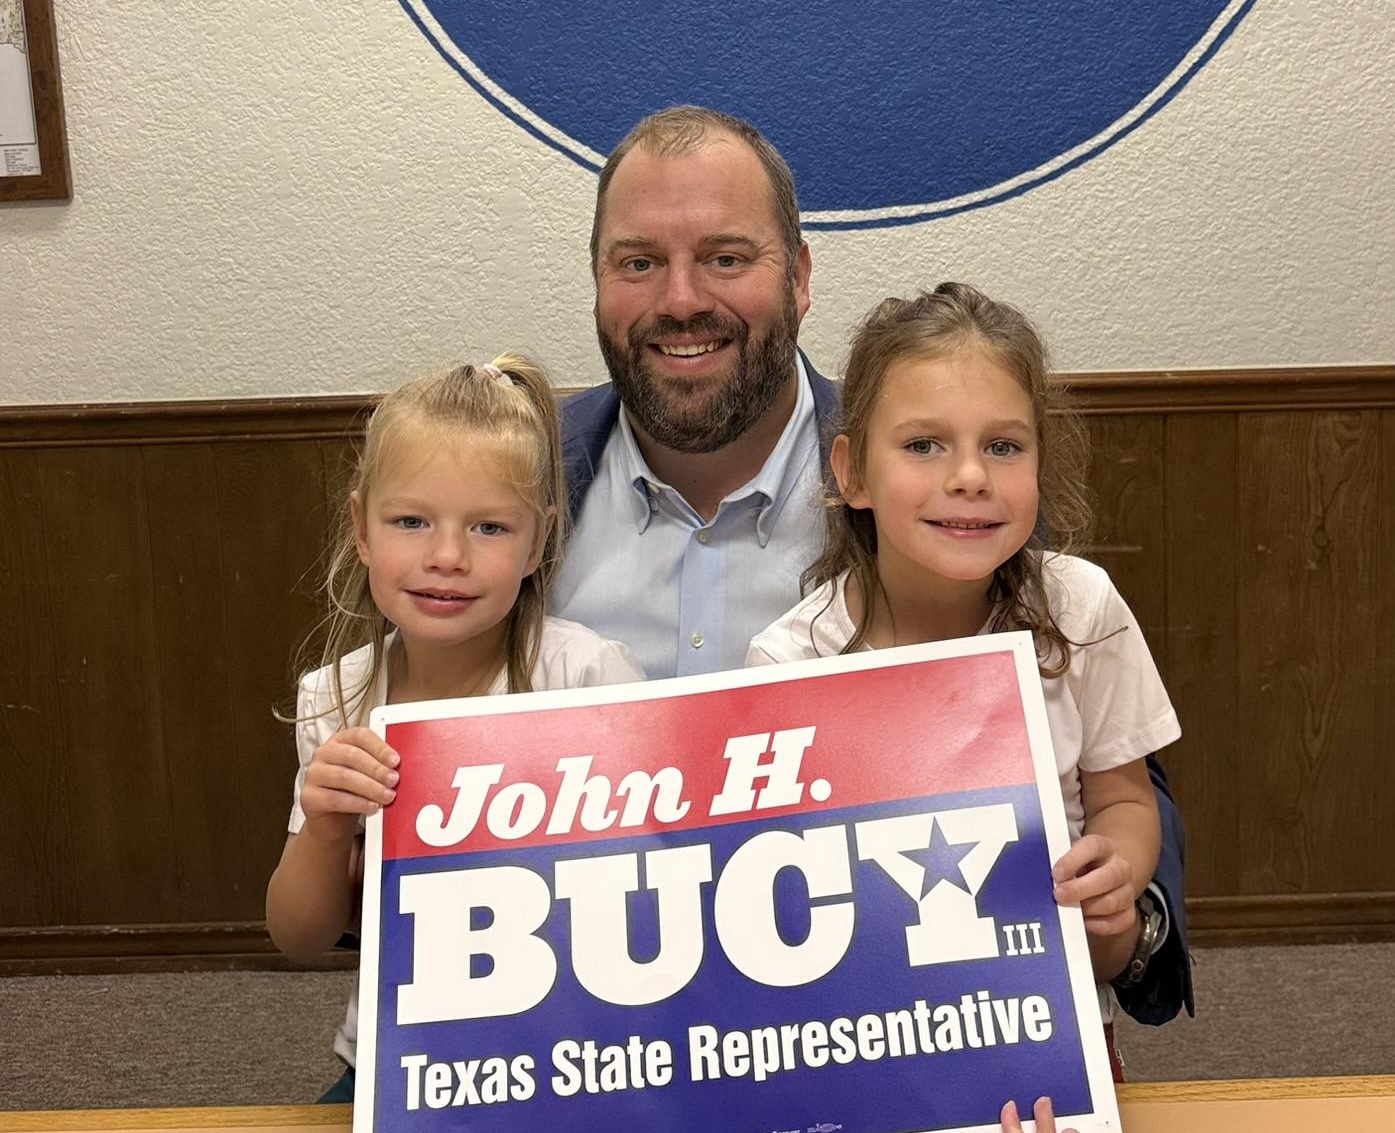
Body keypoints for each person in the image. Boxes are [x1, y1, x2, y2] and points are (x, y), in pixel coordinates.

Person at [553, 105, 1192, 1029]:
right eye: (638, 261)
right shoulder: (512, 498)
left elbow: (1111, 782)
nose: (681, 298)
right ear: (598, 279)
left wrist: (1125, 917)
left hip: (898, 1017)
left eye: (727, 257)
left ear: (802, 276)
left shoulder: (945, 496)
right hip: (578, 1020)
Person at [748, 282, 1182, 1077]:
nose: (971, 475)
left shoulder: (1082, 608)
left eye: (1005, 446)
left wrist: (1116, 870)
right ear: (853, 473)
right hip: (869, 1043)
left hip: (1053, 1029)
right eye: (923, 445)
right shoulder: (788, 663)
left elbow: (1124, 795)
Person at [264, 357, 644, 1101]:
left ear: (539, 544)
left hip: (582, 1049)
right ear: (361, 528)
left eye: (489, 526)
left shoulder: (588, 678)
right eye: (410, 521)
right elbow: (299, 936)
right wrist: (326, 825)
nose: (446, 556)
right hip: (400, 1056)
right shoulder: (337, 696)